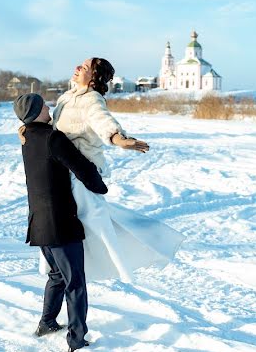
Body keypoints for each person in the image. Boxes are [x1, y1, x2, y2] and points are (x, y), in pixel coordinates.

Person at [51, 57, 183, 283]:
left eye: (83, 68)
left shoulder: (92, 99)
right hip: (62, 170)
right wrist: (29, 128)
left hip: (81, 173)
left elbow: (102, 120)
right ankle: (62, 271)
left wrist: (117, 138)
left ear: (93, 79)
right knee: (72, 226)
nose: (76, 68)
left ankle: (140, 252)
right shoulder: (66, 97)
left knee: (97, 224)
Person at [14, 93, 108, 352]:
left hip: (39, 223)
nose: (49, 107)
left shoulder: (27, 138)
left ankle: (47, 322)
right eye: (44, 105)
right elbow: (81, 167)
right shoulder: (52, 138)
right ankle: (77, 338)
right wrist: (100, 187)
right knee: (75, 281)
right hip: (60, 223)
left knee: (57, 276)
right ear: (35, 113)